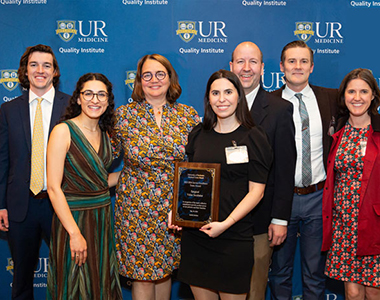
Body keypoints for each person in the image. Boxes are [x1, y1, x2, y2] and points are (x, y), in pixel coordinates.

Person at [177, 69, 273, 299]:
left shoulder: (253, 136)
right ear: (208, 98)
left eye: (228, 92)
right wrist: (182, 215)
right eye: (215, 93)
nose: (222, 99)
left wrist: (225, 224)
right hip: (198, 237)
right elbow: (190, 181)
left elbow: (257, 192)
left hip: (233, 236)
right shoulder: (198, 134)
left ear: (239, 96)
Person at [112, 54, 200, 300]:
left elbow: (195, 165)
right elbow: (103, 155)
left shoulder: (188, 115)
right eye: (146, 75)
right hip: (135, 206)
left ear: (170, 78)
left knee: (165, 271)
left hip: (175, 206)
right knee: (141, 273)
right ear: (139, 81)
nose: (154, 80)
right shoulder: (124, 116)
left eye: (160, 74)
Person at [322, 68, 380, 300]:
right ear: (344, 96)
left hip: (378, 225)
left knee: (374, 291)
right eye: (352, 91)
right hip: (343, 225)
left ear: (374, 95)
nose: (357, 97)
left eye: (364, 91)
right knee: (352, 292)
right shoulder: (338, 131)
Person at [269, 40, 338, 300]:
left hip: (318, 199)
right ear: (281, 67)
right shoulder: (268, 103)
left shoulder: (331, 98)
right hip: (281, 202)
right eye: (291, 61)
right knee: (280, 272)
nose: (297, 66)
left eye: (303, 61)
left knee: (314, 273)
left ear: (311, 67)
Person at [0, 44, 69, 299]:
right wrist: (1, 205)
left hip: (60, 204)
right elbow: (3, 159)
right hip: (20, 206)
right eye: (34, 65)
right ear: (25, 71)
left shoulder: (72, 107)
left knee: (68, 274)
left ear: (55, 72)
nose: (40, 70)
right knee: (21, 280)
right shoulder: (8, 110)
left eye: (47, 65)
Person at [46, 73, 122, 299]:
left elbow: (98, 182)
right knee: (73, 285)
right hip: (73, 220)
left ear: (108, 101)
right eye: (88, 93)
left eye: (101, 95)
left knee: (100, 283)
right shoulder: (63, 131)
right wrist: (74, 233)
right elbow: (53, 187)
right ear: (78, 98)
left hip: (102, 218)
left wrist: (132, 174)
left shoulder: (107, 134)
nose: (95, 100)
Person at [230, 41, 296, 300]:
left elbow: (284, 168)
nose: (246, 68)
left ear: (262, 68)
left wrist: (280, 218)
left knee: (254, 290)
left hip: (260, 220)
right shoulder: (219, 104)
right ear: (231, 66)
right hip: (223, 219)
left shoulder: (279, 109)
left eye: (253, 62)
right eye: (241, 62)